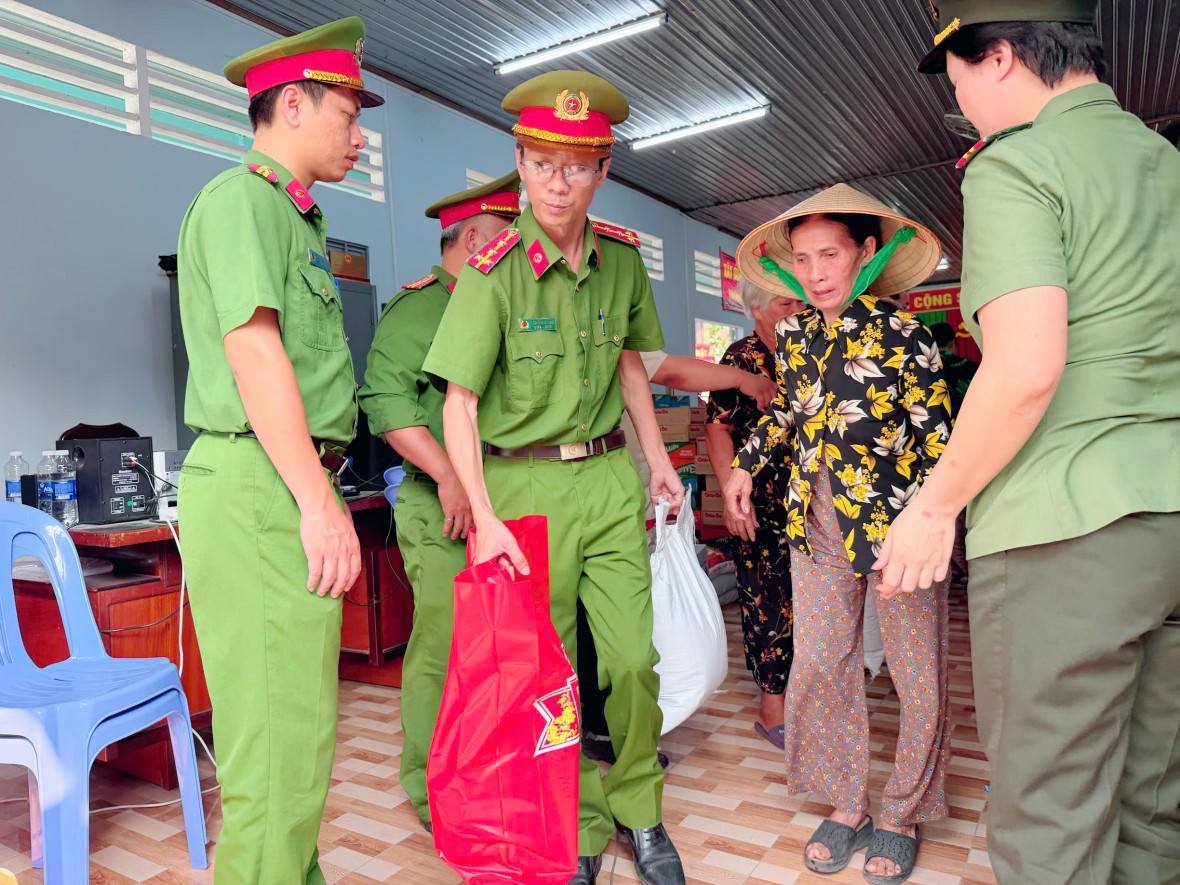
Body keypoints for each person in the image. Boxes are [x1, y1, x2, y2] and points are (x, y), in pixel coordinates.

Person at [879, 3, 1180, 882]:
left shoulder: (1018, 165)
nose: (963, 98)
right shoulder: (1162, 159)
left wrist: (936, 505)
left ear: (1000, 56)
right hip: (1169, 516)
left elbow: (1025, 367)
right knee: (1152, 805)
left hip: (1067, 529)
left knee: (1052, 820)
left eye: (961, 74)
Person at [422, 71, 686, 885]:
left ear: (603, 169)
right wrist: (486, 513)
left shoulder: (621, 265)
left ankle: (641, 811)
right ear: (521, 162)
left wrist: (661, 461)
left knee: (632, 661)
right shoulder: (494, 270)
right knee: (551, 672)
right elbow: (458, 405)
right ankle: (573, 818)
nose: (557, 183)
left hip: (607, 480)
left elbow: (634, 371)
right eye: (541, 164)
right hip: (524, 492)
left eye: (576, 165)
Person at [176, 17, 381, 883]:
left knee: (295, 742)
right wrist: (318, 499)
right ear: (292, 105)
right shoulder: (240, 202)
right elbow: (255, 355)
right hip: (265, 486)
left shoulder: (294, 219)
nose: (359, 132)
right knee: (271, 756)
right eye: (348, 110)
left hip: (282, 482)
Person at [723, 184, 953, 885]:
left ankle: (903, 810)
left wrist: (934, 523)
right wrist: (742, 464)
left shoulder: (908, 336)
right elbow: (787, 414)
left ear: (865, 253)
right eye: (803, 258)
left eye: (830, 253)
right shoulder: (794, 338)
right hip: (815, 527)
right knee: (823, 667)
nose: (817, 271)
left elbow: (942, 441)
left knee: (918, 679)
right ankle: (849, 802)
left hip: (898, 532)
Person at [357, 170, 521, 832]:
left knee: (503, 647)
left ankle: (493, 766)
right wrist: (451, 476)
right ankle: (430, 784)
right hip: (441, 505)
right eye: (509, 239)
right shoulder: (421, 309)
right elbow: (388, 407)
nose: (519, 252)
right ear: (476, 238)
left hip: (504, 502)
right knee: (445, 645)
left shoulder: (497, 304)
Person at [580, 349, 777, 765]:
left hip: (623, 487)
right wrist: (743, 379)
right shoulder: (599, 313)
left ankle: (610, 724)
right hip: (601, 490)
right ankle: (601, 727)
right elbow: (669, 370)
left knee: (613, 617)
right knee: (598, 618)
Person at [705, 279, 804, 749]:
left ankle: (810, 698)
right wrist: (731, 492)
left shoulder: (809, 348)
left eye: (800, 300)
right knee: (768, 599)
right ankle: (772, 707)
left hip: (812, 496)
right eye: (787, 301)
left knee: (812, 600)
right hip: (759, 496)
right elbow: (718, 431)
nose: (798, 307)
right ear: (758, 310)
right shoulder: (741, 358)